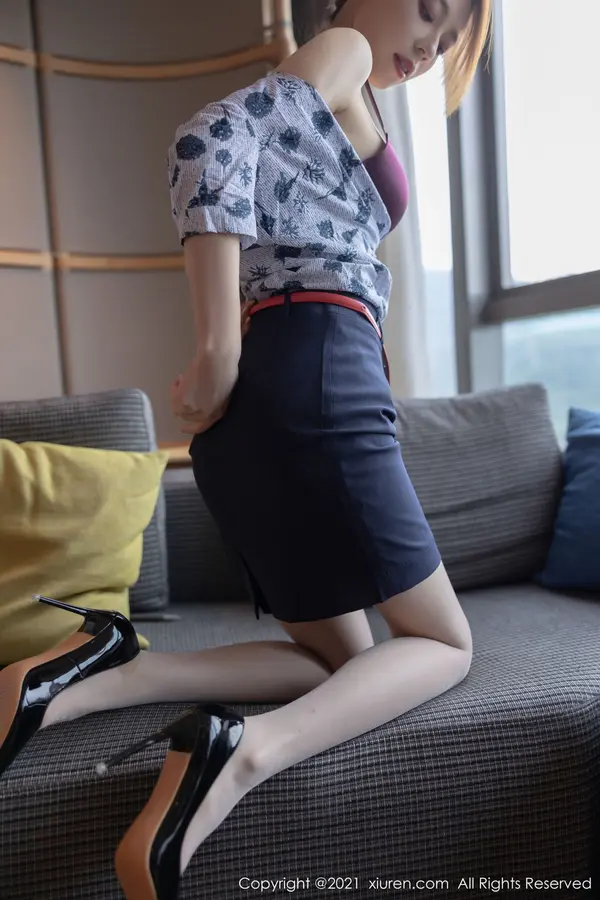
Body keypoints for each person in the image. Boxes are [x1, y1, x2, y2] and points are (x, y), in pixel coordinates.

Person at [0, 2, 493, 898]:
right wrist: (215, 345)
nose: (434, 45)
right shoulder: (344, 49)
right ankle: (243, 753)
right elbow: (214, 136)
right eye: (431, 9)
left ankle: (104, 670)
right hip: (316, 374)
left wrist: (234, 357)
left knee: (337, 661)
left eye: (454, 36)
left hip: (264, 407)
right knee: (445, 644)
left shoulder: (347, 87)